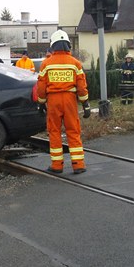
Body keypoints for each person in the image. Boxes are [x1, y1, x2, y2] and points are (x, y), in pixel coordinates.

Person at [37, 30, 90, 175]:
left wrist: (41, 102)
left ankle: (57, 165)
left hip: (53, 101)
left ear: (53, 46)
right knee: (73, 130)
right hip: (70, 100)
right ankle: (78, 164)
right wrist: (85, 104)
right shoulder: (75, 64)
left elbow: (41, 87)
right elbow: (81, 87)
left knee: (54, 131)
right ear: (68, 45)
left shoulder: (46, 64)